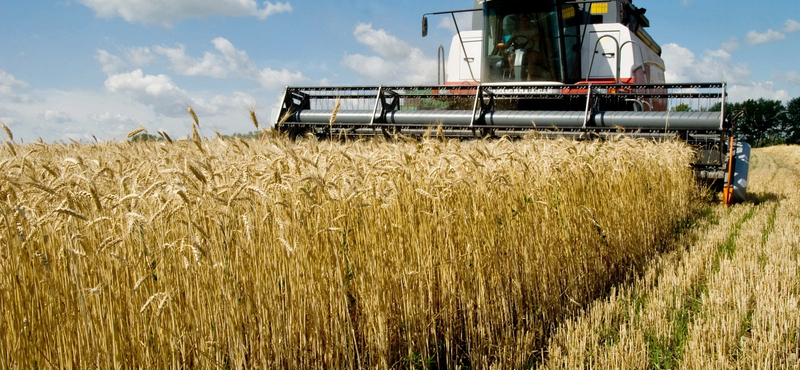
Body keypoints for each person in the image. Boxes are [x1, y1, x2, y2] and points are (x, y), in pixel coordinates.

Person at [497, 15, 550, 81]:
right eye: (522, 20)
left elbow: (537, 37)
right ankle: (514, 74)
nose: (524, 22)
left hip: (532, 50)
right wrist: (502, 46)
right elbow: (508, 43)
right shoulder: (516, 32)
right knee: (511, 56)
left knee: (532, 57)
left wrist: (532, 38)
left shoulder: (534, 30)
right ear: (520, 22)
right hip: (519, 52)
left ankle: (529, 77)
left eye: (526, 20)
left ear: (529, 21)